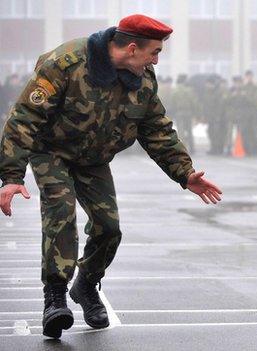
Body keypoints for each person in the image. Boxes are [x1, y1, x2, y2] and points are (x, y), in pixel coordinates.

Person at [0, 14, 223, 339]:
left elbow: (155, 128)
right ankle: (55, 297)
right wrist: (10, 175)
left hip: (93, 158)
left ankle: (87, 284)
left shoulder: (142, 78)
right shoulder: (66, 62)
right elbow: (24, 117)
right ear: (132, 49)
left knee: (109, 228)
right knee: (60, 213)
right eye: (154, 52)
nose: (156, 61)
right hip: (52, 151)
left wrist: (185, 173)